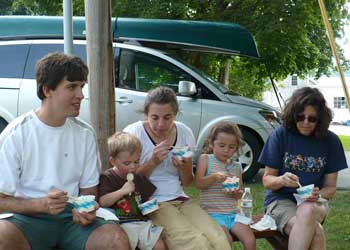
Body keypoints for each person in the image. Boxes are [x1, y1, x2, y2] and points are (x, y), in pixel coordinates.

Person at [0, 52, 130, 250]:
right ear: (47, 90)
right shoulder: (17, 133)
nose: (80, 95)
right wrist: (40, 205)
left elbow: (89, 191)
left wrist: (85, 210)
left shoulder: (85, 133)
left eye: (81, 87)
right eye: (71, 87)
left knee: (115, 239)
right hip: (27, 218)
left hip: (72, 218)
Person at [124, 86, 231, 250]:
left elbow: (187, 182)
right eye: (154, 117)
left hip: (179, 198)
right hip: (151, 201)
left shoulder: (184, 132)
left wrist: (184, 166)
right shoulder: (134, 133)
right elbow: (127, 180)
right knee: (196, 243)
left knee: (219, 239)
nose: (161, 124)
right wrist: (152, 162)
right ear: (146, 114)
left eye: (167, 117)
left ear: (176, 113)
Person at [259, 87, 348, 250]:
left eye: (312, 118)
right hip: (280, 201)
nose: (305, 122)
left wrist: (317, 194)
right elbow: (267, 180)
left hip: (316, 203)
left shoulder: (331, 141)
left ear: (320, 119)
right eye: (300, 117)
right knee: (317, 234)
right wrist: (281, 179)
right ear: (293, 115)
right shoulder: (280, 135)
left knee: (308, 208)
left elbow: (331, 188)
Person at [98, 131, 166, 250]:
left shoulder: (138, 177)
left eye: (136, 162)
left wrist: (152, 204)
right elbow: (102, 201)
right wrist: (122, 191)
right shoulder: (107, 177)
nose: (133, 167)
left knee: (159, 246)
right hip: (120, 224)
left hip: (142, 222)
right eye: (127, 163)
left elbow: (147, 199)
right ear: (113, 161)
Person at [195, 120, 256, 250]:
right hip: (212, 214)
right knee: (225, 240)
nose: (226, 150)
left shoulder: (237, 166)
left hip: (233, 214)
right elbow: (199, 184)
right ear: (212, 143)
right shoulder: (206, 159)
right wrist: (214, 176)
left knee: (250, 241)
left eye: (231, 147)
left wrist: (235, 193)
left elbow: (239, 194)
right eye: (221, 145)